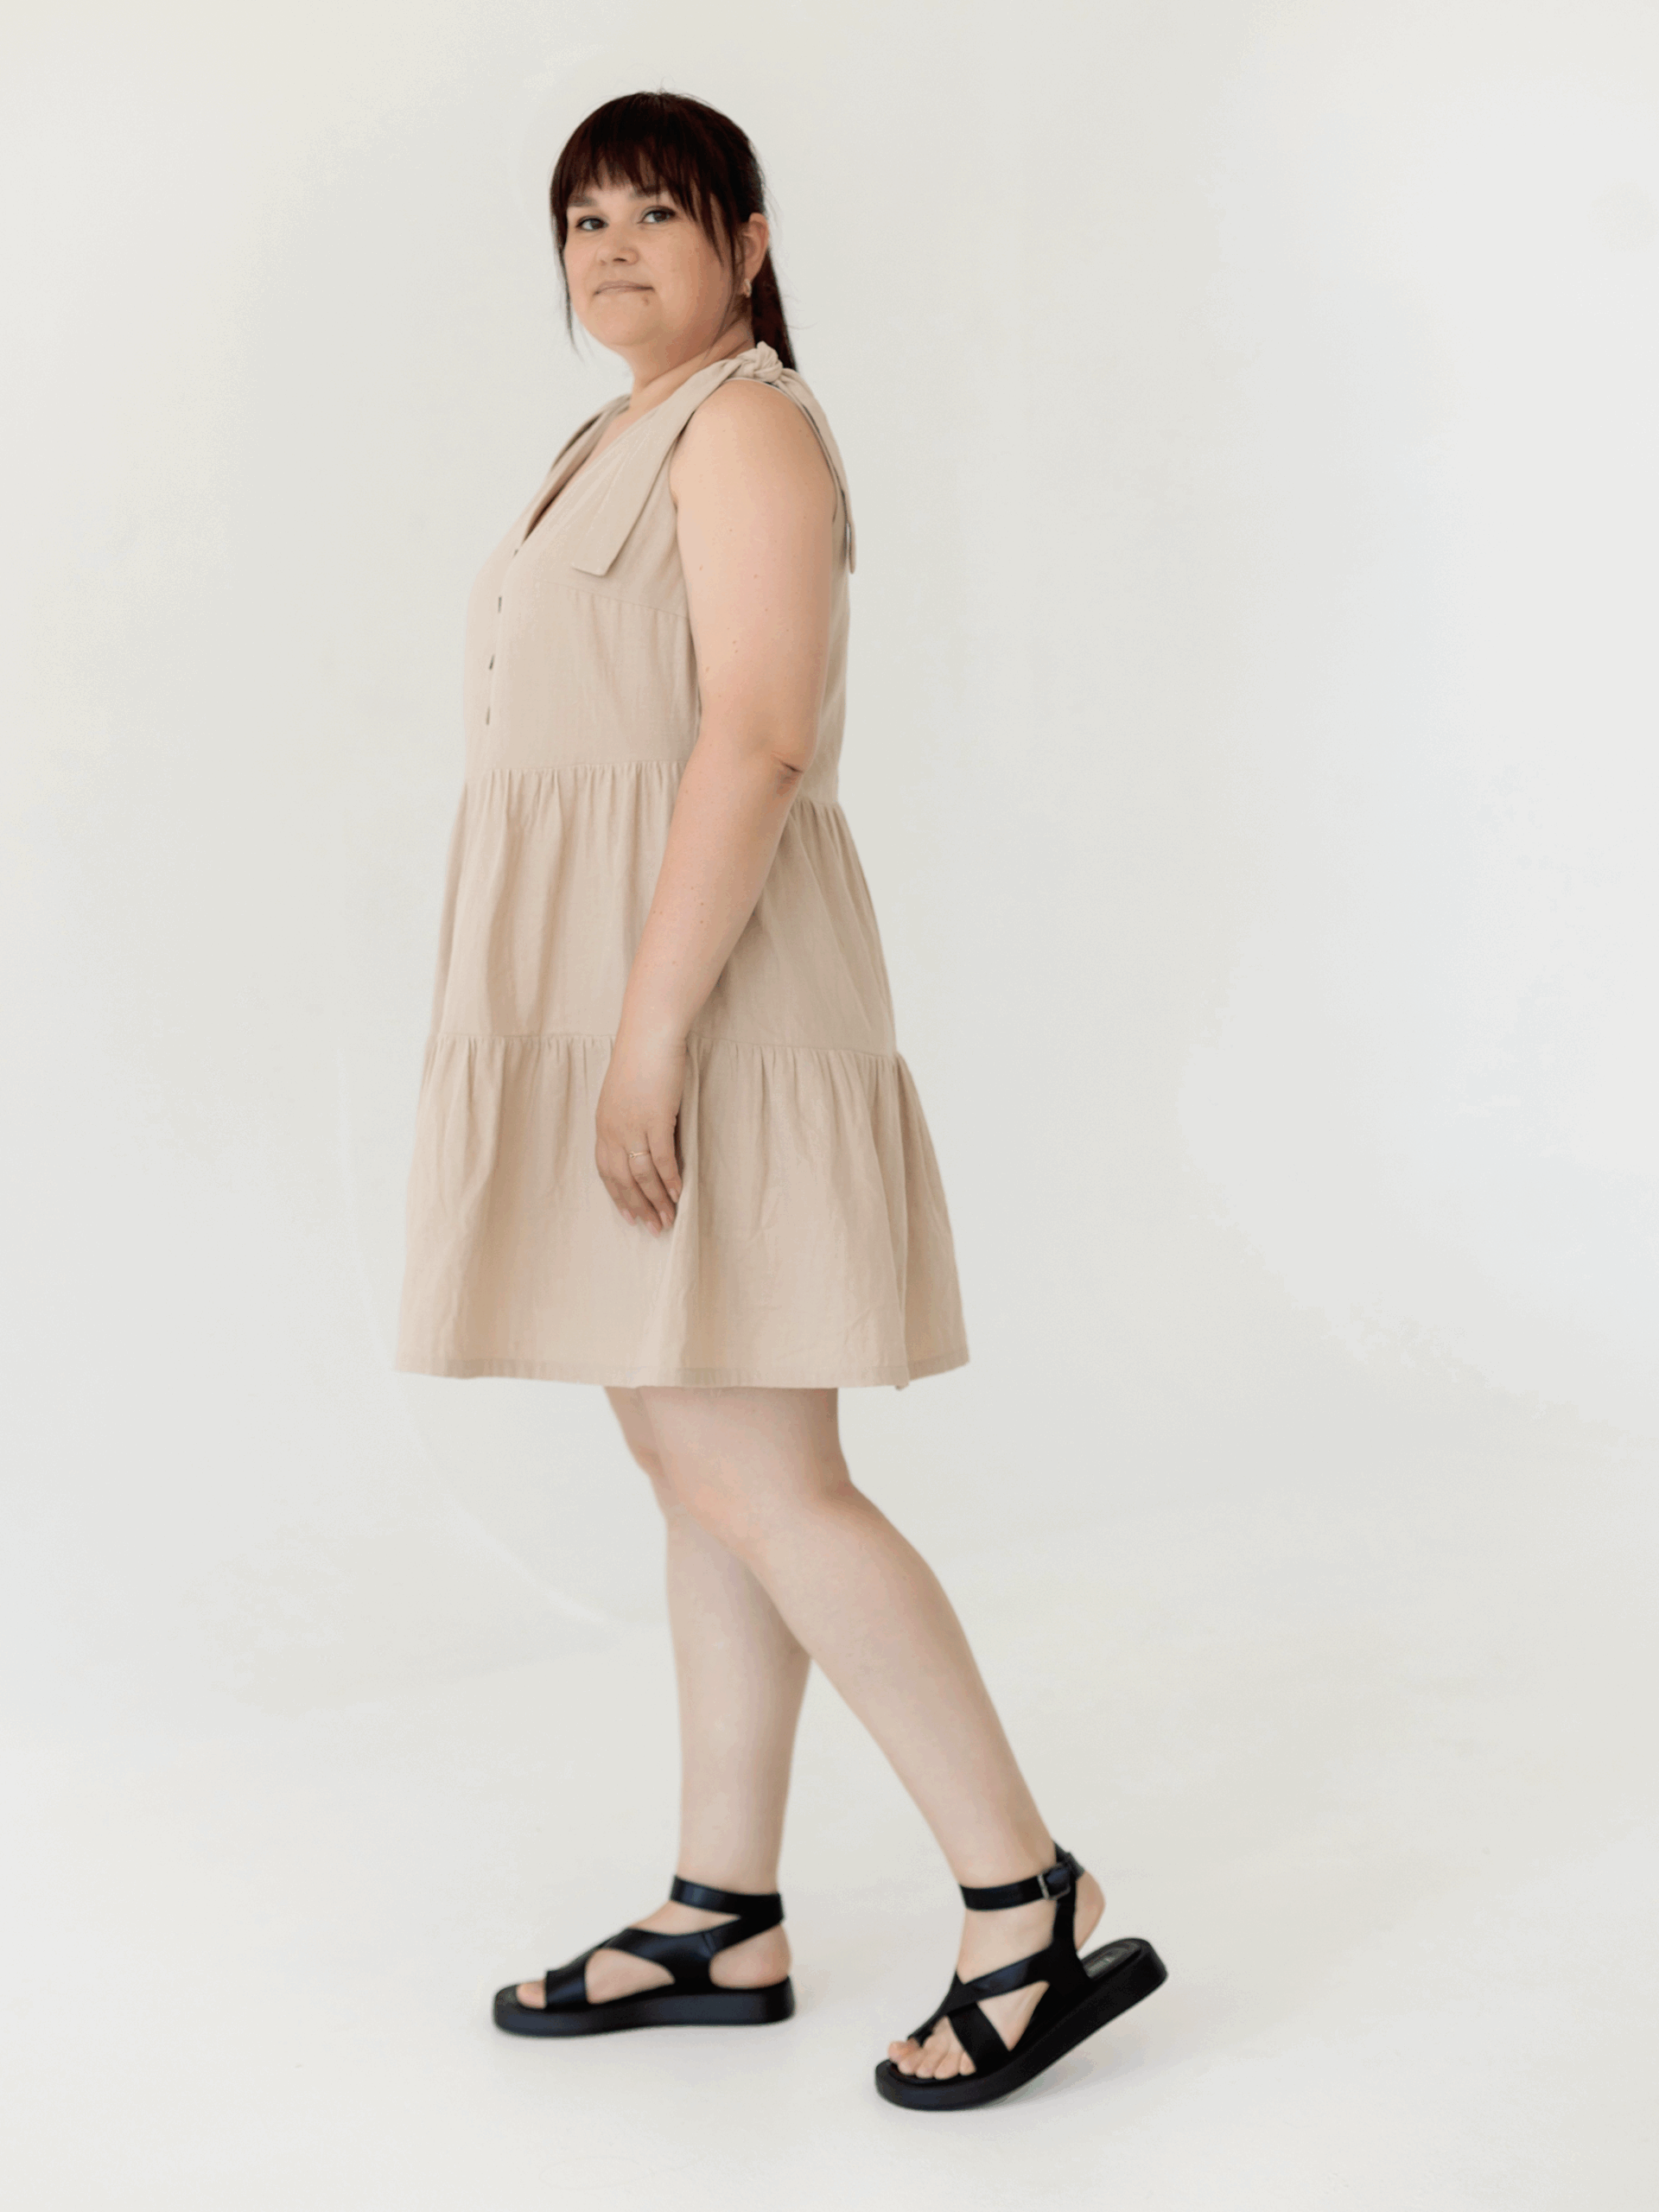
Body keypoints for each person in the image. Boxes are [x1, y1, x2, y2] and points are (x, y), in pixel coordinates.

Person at [395, 89, 1164, 2109]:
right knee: (694, 1459)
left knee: (761, 1469)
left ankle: (1025, 1894)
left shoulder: (743, 426)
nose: (611, 247)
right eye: (582, 219)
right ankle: (722, 1904)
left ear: (746, 242)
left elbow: (754, 736)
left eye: (657, 211)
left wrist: (649, 1032)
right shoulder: (621, 433)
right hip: (629, 996)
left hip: (709, 1000)